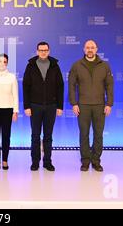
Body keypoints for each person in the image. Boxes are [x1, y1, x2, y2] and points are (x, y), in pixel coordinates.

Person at [68, 39, 114, 172]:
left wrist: (109, 103)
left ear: (96, 49)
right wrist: (74, 103)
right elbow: (71, 86)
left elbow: (109, 86)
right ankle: (85, 161)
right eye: (87, 47)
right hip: (83, 106)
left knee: (98, 134)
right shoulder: (77, 65)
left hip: (100, 106)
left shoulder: (104, 66)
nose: (90, 49)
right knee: (84, 134)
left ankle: (96, 161)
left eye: (92, 47)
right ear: (84, 49)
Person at [23, 41, 64, 171]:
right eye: (41, 50)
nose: (43, 52)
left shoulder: (55, 66)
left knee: (48, 136)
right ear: (37, 51)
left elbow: (60, 87)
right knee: (35, 136)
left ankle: (47, 162)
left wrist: (60, 106)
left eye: (45, 50)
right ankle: (35, 162)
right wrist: (26, 106)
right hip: (34, 106)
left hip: (51, 106)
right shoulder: (30, 66)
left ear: (49, 51)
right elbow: (26, 87)